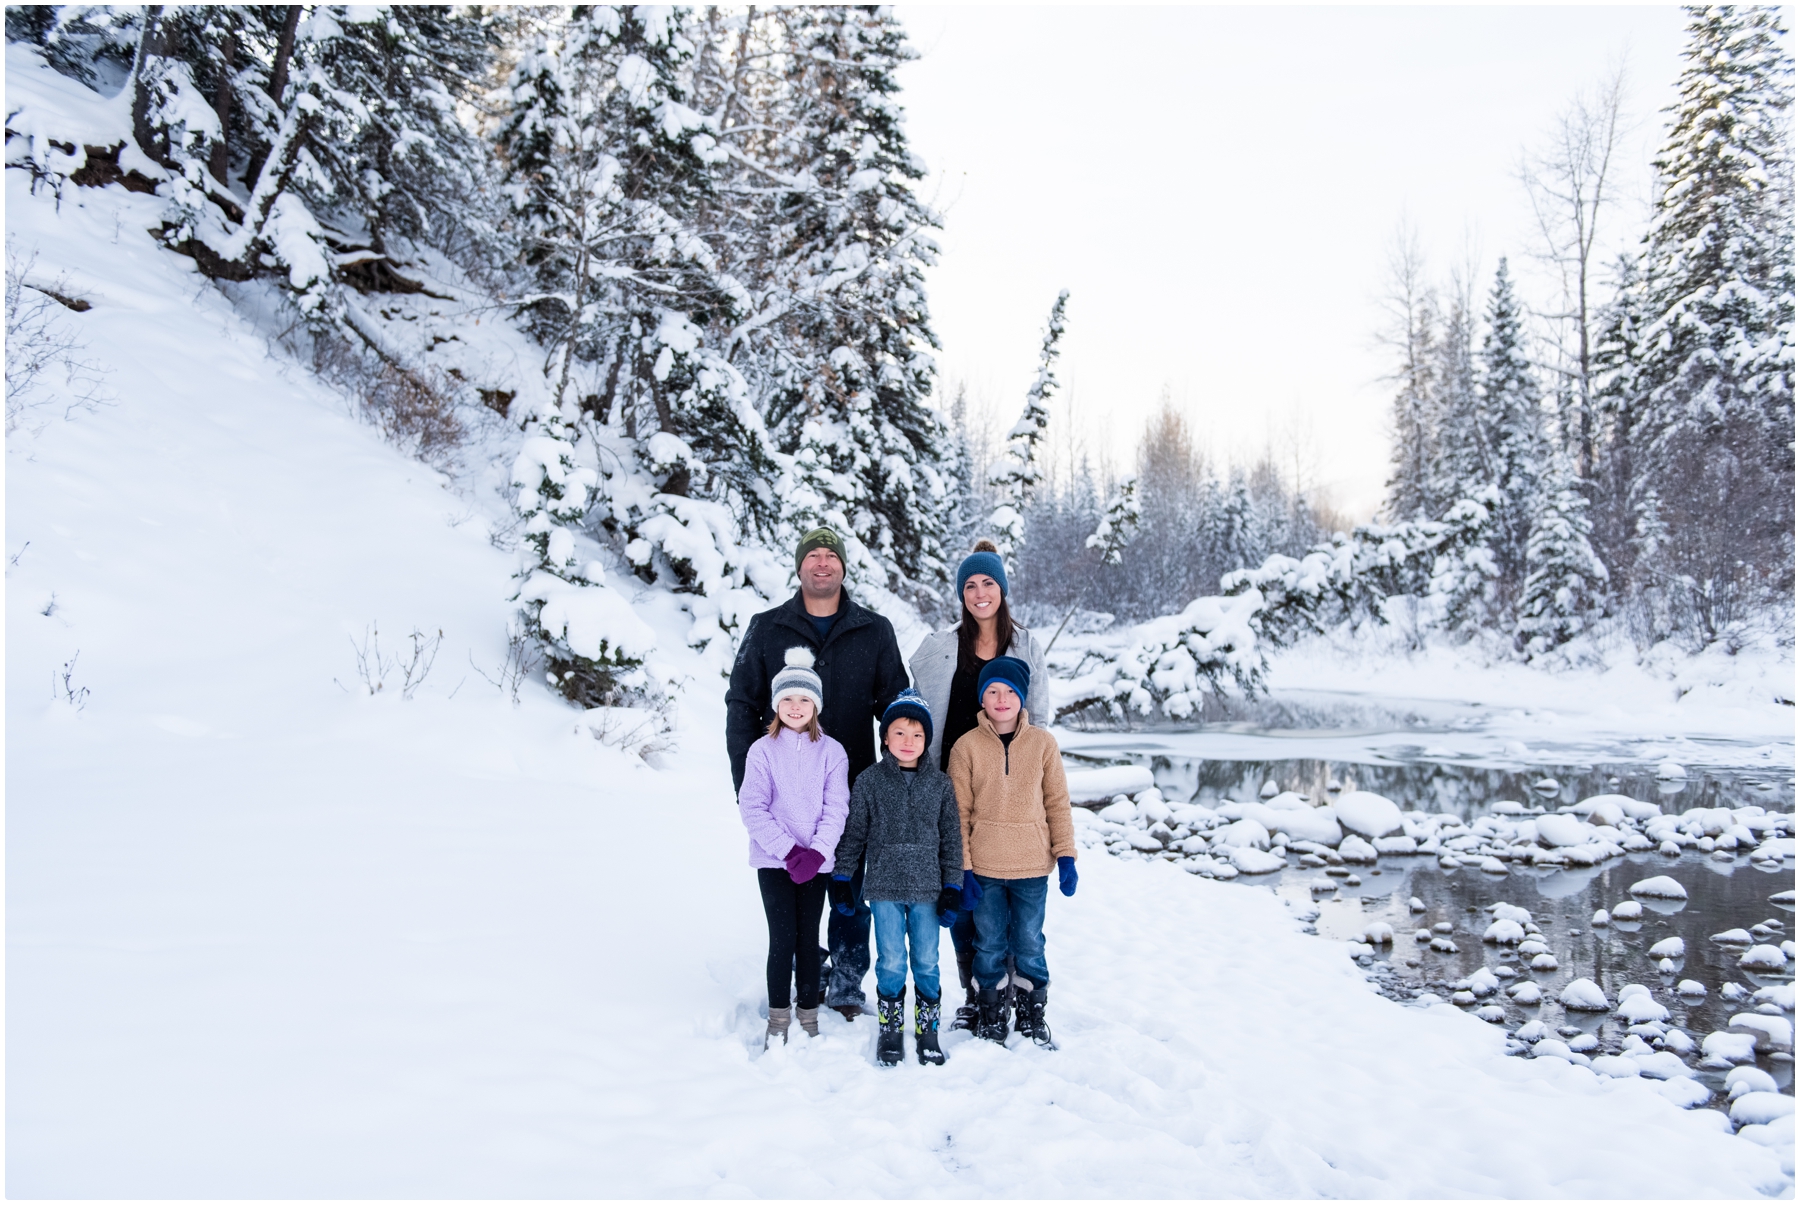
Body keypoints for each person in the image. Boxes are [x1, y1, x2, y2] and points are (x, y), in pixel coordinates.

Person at [726, 527, 910, 1018]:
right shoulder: (767, 628)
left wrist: (899, 781)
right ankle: (809, 970)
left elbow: (896, 709)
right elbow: (742, 705)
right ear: (799, 566)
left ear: (844, 567)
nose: (822, 564)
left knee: (849, 891)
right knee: (793, 892)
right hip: (783, 799)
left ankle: (847, 982)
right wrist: (748, 784)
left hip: (853, 792)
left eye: (832, 556)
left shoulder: (874, 630)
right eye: (813, 556)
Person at [908, 539, 1049, 1028]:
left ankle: (1013, 988)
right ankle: (978, 991)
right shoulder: (940, 647)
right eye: (970, 585)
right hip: (949, 785)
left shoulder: (1025, 645)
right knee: (961, 892)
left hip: (1006, 791)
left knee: (1009, 898)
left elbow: (1041, 723)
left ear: (1003, 589)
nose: (979, 593)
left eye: (988, 583)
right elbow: (914, 705)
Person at [946, 655, 1077, 1048]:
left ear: (1023, 697)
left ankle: (1031, 1011)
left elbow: (1057, 802)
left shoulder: (1043, 744)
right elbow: (959, 814)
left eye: (1010, 692)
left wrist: (1066, 854)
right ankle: (990, 1011)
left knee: (1029, 942)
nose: (1001, 699)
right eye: (992, 691)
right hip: (984, 867)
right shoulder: (965, 747)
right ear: (982, 698)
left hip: (1033, 867)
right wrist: (964, 869)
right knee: (987, 943)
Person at [831, 689, 964, 1067]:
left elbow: (952, 840)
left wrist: (953, 885)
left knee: (926, 960)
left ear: (927, 741)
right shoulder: (870, 782)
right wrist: (843, 876)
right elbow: (854, 833)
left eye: (917, 735)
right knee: (890, 960)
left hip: (928, 890)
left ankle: (928, 1030)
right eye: (900, 733)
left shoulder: (940, 785)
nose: (909, 742)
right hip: (884, 888)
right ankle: (891, 1029)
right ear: (885, 737)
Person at [736, 648, 850, 1049]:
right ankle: (779, 1016)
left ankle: (808, 1013)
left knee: (808, 939)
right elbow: (752, 806)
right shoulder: (762, 751)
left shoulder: (832, 752)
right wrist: (789, 852)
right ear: (776, 704)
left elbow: (837, 808)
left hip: (816, 865)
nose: (796, 706)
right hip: (774, 861)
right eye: (787, 698)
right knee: (782, 938)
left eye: (804, 699)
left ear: (816, 705)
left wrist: (816, 853)